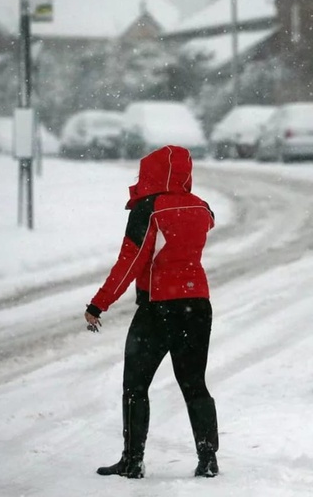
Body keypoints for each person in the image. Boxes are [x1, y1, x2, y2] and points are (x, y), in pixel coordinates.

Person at [83, 144, 219, 480]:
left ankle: (132, 460)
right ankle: (208, 459)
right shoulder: (202, 207)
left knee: (135, 385)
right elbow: (201, 225)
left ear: (152, 173)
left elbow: (130, 261)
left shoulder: (148, 209)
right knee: (194, 383)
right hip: (197, 305)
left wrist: (99, 303)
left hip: (158, 307)